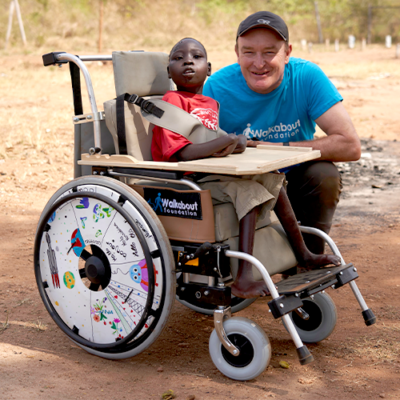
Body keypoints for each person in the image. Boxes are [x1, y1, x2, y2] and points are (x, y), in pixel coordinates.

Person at [151, 37, 340, 298]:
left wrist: (237, 143)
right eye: (178, 57)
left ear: (209, 69)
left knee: (272, 178)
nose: (187, 61)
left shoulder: (208, 103)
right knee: (248, 191)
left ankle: (303, 254)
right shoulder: (171, 103)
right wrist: (226, 141)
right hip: (186, 181)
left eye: (196, 56)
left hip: (210, 174)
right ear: (168, 71)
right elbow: (184, 153)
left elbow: (211, 142)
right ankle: (243, 278)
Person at [203, 11, 362, 256]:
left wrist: (274, 151)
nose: (259, 63)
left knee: (324, 175)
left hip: (295, 179)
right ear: (236, 53)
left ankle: (307, 260)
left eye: (269, 52)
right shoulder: (215, 88)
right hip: (244, 185)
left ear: (287, 53)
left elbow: (350, 145)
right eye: (248, 52)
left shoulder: (306, 77)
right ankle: (241, 265)